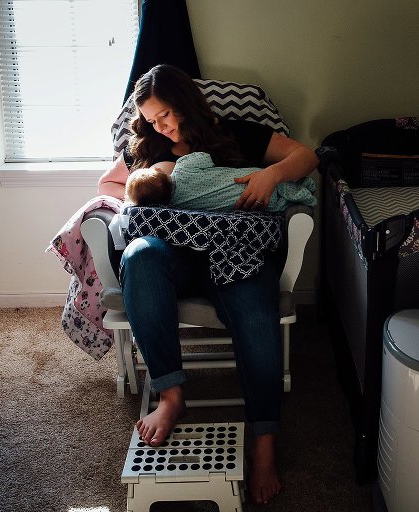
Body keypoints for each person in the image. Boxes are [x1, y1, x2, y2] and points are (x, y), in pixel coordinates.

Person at [97, 64, 318, 505]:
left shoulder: (236, 132)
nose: (163, 125)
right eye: (153, 119)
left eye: (167, 114)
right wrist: (141, 192)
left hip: (238, 250)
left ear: (187, 102)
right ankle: (171, 394)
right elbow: (107, 183)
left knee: (256, 304)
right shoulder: (148, 145)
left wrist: (269, 176)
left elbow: (305, 156)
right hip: (173, 256)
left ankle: (264, 441)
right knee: (140, 256)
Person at [125, 151, 317, 211]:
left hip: (258, 202)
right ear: (158, 170)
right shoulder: (183, 167)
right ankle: (306, 188)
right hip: (252, 179)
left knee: (279, 201)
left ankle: (305, 196)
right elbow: (205, 158)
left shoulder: (176, 206)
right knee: (281, 186)